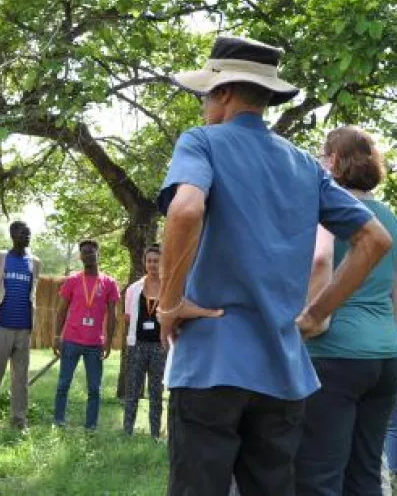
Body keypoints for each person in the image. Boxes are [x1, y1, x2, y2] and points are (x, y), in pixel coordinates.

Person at [157, 36, 391, 496]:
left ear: (223, 93)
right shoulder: (305, 165)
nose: (204, 103)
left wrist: (170, 304)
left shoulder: (201, 142)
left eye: (206, 93)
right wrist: (316, 313)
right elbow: (374, 240)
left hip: (211, 363)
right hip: (284, 371)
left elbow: (185, 210)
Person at [295, 126, 397, 494]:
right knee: (366, 474)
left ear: (334, 160)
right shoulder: (389, 216)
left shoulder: (331, 207)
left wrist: (312, 318)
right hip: (386, 357)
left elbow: (321, 258)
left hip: (336, 355)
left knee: (321, 477)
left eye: (323, 155)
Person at [0, 220, 42, 433]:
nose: (27, 236)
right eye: (24, 233)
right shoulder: (0, 258)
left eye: (29, 233)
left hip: (24, 328)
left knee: (20, 380)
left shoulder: (35, 262)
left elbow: (32, 293)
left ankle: (19, 423)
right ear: (13, 234)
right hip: (2, 327)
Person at [52, 239, 120, 430]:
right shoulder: (72, 280)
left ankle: (90, 426)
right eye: (84, 252)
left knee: (94, 389)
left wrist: (108, 341)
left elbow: (113, 315)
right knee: (63, 384)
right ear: (80, 256)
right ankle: (58, 422)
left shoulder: (109, 283)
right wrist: (57, 337)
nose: (87, 255)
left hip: (95, 344)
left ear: (98, 254)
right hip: (71, 340)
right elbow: (61, 310)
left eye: (91, 252)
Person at [123, 243, 166, 439]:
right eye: (149, 261)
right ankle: (127, 432)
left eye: (156, 261)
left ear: (162, 262)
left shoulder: (169, 288)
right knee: (132, 390)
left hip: (160, 346)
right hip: (137, 346)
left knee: (156, 392)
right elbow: (128, 318)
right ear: (144, 262)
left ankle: (155, 434)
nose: (153, 264)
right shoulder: (133, 289)